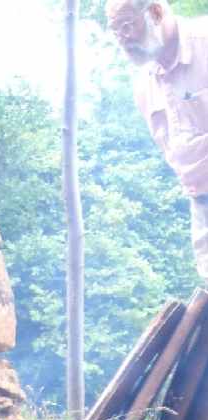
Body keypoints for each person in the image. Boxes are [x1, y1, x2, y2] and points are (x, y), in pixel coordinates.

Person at [107, 0, 208, 278]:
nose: (122, 39)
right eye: (115, 31)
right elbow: (172, 151)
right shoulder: (144, 85)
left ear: (155, 12)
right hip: (201, 205)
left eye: (126, 26)